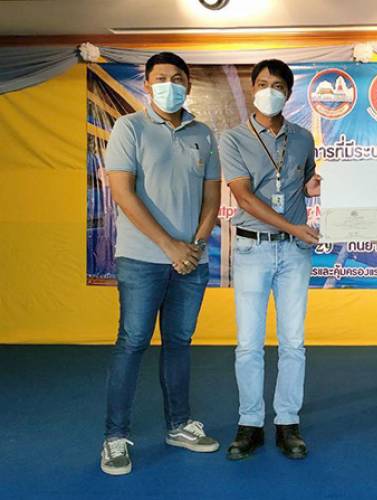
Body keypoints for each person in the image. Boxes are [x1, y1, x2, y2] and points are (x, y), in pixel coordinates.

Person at [100, 52, 222, 475]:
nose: (169, 84)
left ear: (188, 84)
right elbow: (123, 192)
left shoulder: (203, 133)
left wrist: (196, 244)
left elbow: (212, 197)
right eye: (161, 78)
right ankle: (115, 437)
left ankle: (179, 425)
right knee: (133, 342)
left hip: (190, 262)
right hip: (142, 259)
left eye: (177, 78)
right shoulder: (129, 127)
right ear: (148, 84)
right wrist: (170, 246)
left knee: (179, 342)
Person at [220, 59, 321, 460]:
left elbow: (305, 182)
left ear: (289, 93)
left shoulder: (303, 138)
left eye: (277, 85)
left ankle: (287, 422)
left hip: (295, 253)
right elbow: (244, 198)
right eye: (262, 83)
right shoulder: (233, 138)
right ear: (252, 89)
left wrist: (312, 188)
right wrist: (294, 227)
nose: (269, 91)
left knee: (293, 342)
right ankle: (249, 423)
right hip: (252, 248)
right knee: (248, 344)